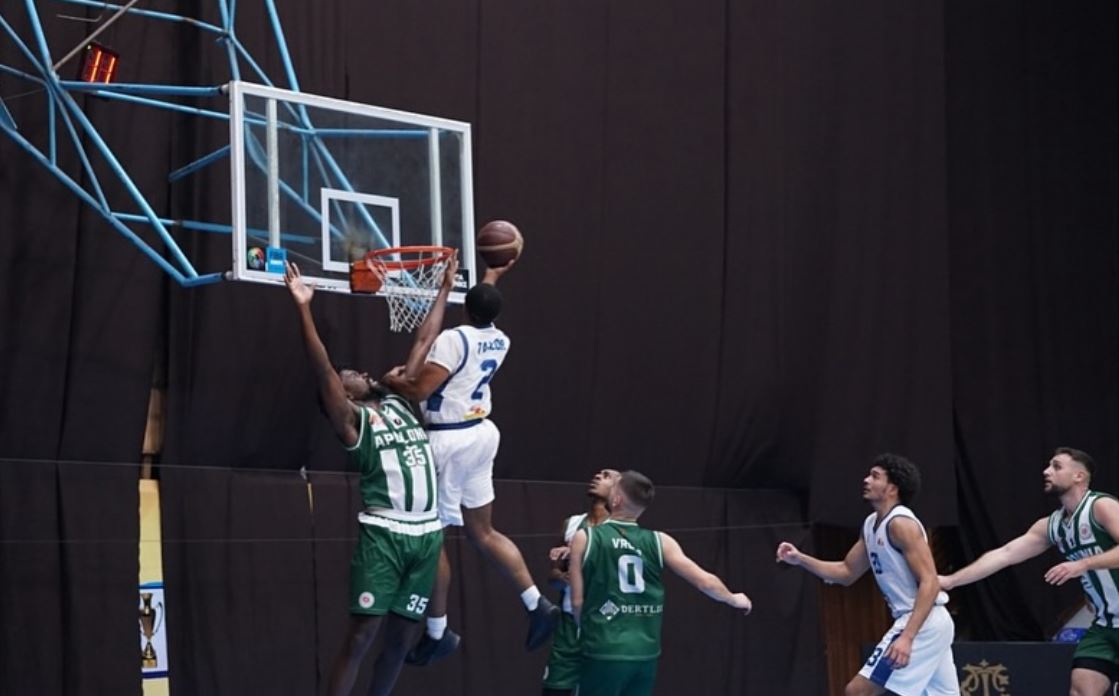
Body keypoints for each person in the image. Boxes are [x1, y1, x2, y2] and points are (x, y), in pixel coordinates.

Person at [380, 257, 559, 664]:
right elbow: (481, 305)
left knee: (434, 539)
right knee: (484, 532)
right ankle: (537, 606)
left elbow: (419, 392)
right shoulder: (501, 338)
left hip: (449, 442)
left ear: (466, 307)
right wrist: (492, 274)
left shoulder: (452, 339)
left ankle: (438, 632)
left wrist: (392, 381)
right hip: (482, 434)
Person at [284, 260, 450, 696]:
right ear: (344, 394)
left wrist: (444, 289)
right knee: (361, 638)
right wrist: (303, 307)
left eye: (354, 371)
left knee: (398, 644)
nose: (356, 372)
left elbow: (425, 338)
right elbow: (323, 371)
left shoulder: (398, 399)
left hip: (427, 534)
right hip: (385, 536)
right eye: (348, 376)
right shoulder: (354, 423)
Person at [940, 447, 1119, 696]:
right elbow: (1005, 554)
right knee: (1081, 688)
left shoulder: (1101, 506)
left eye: (1056, 466)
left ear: (1079, 476)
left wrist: (1083, 565)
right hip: (1105, 623)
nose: (1046, 471)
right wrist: (950, 580)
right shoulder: (1052, 525)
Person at [776, 453, 958, 696]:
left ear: (892, 488)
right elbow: (846, 572)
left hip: (921, 621)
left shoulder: (901, 524)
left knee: (857, 692)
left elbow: (930, 582)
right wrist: (799, 559)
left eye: (875, 476)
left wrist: (907, 637)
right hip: (929, 622)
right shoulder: (872, 524)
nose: (866, 480)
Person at [567, 470, 752, 696]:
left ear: (615, 500)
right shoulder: (660, 541)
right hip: (645, 653)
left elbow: (577, 601)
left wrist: (584, 631)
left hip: (603, 650)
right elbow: (705, 582)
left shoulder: (585, 537)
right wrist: (734, 598)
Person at [542, 469, 620, 696]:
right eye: (598, 473)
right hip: (568, 624)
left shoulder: (621, 529)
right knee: (555, 690)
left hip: (604, 622)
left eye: (606, 476)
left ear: (618, 491)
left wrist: (578, 553)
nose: (597, 475)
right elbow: (553, 575)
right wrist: (563, 578)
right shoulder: (572, 523)